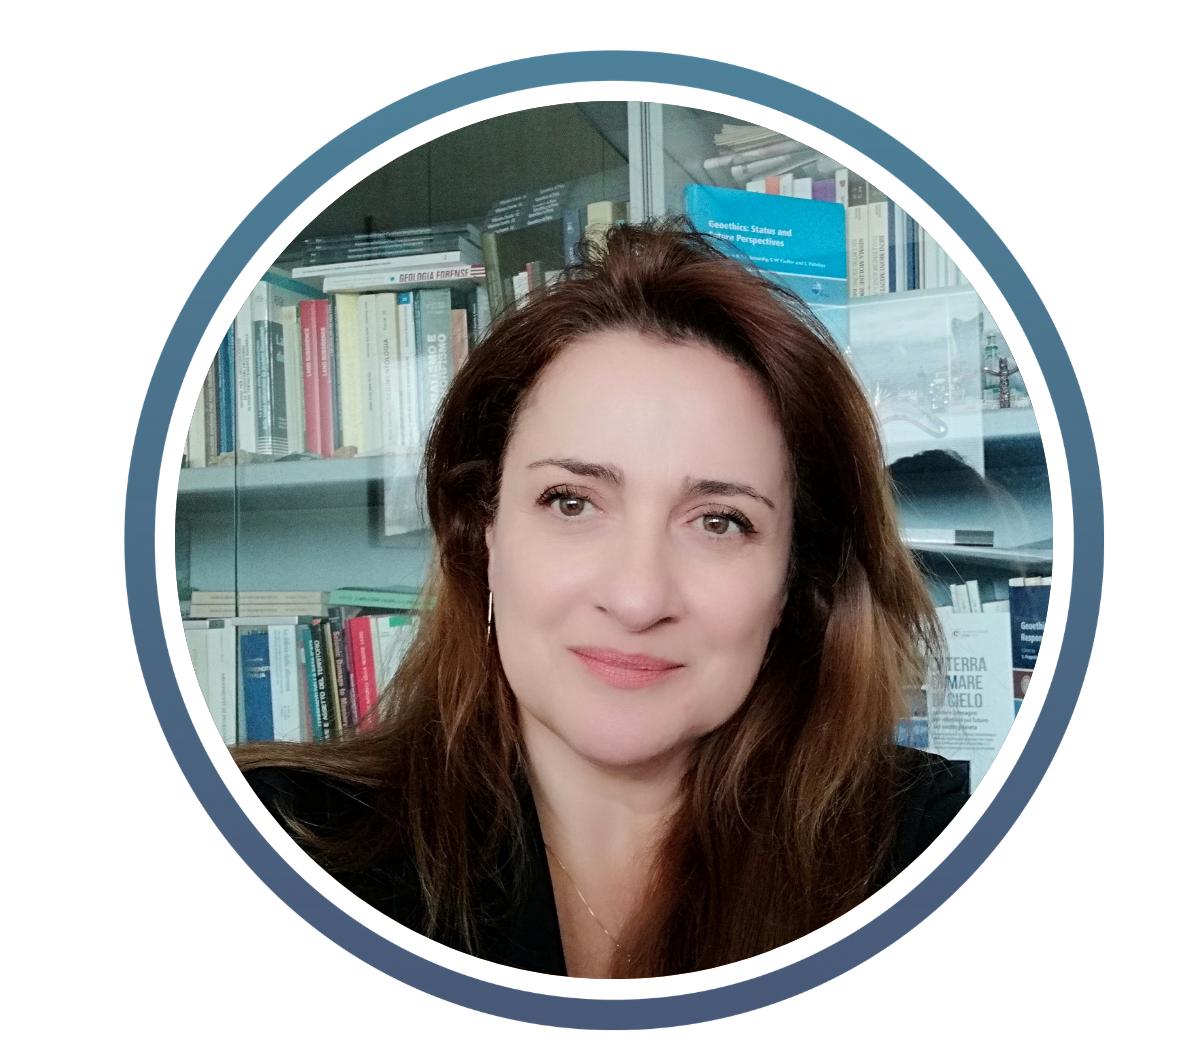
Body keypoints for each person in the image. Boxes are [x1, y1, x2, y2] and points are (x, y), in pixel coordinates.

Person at [234, 221, 967, 978]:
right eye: (572, 502)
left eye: (720, 521)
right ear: (482, 532)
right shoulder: (270, 844)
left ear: (793, 580)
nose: (637, 596)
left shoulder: (933, 849)